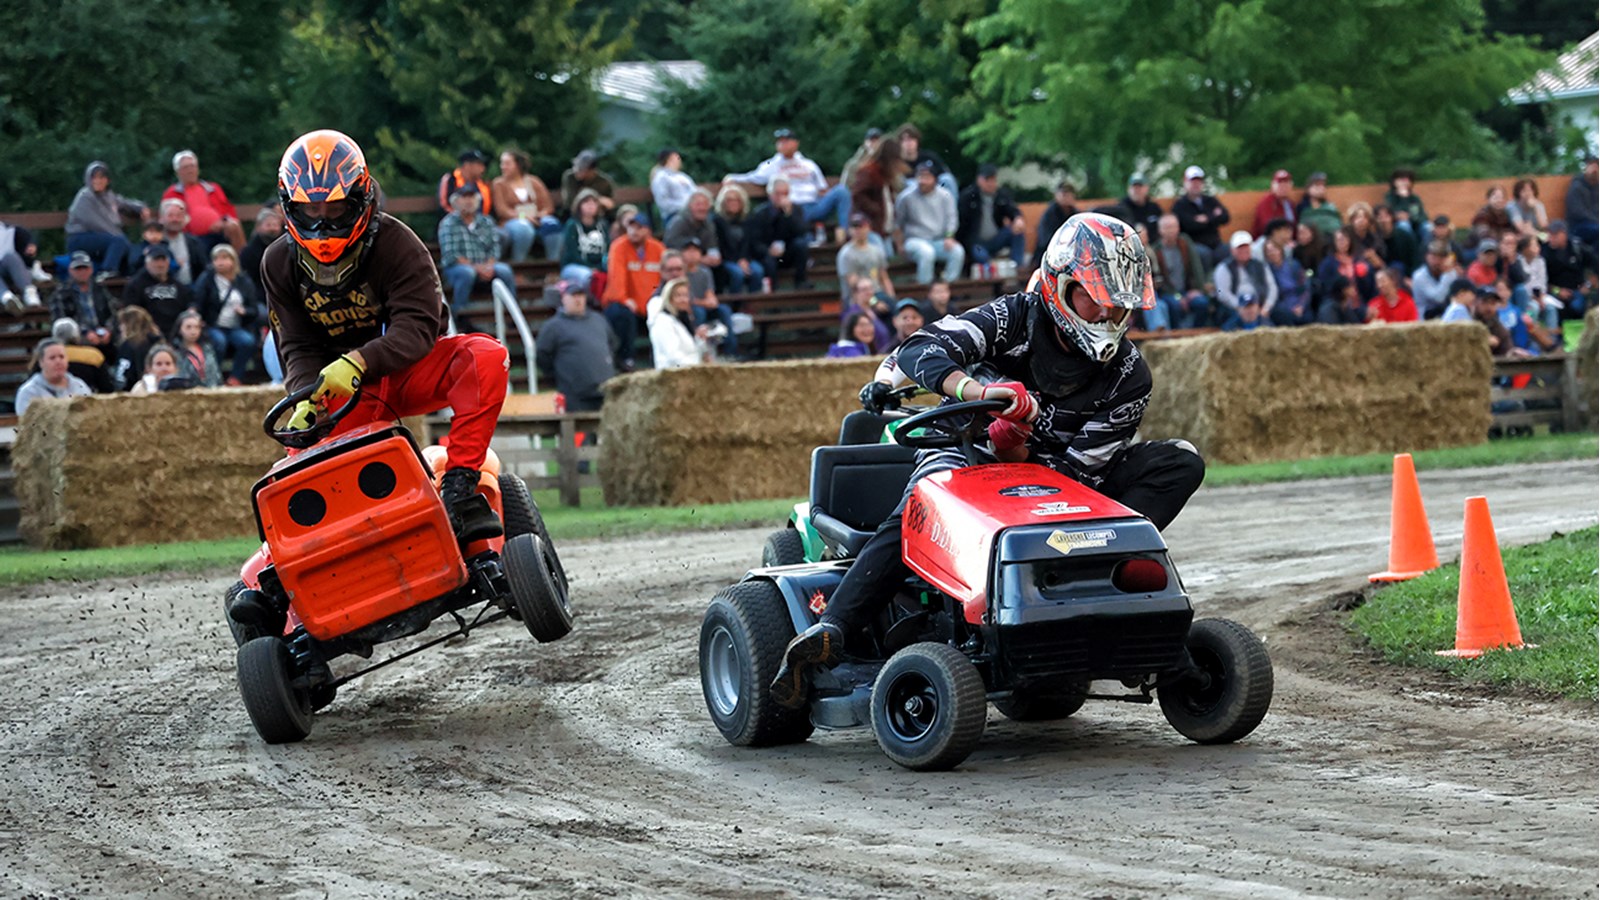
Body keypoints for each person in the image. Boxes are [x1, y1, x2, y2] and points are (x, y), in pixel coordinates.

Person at [770, 212, 1205, 708]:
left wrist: (1019, 447)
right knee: (926, 498)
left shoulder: (1130, 375)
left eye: (1119, 305)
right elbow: (920, 350)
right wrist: (981, 394)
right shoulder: (1014, 316)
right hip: (966, 452)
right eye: (1097, 300)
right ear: (1061, 287)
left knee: (1181, 461)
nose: (1108, 316)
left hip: (1061, 486)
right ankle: (834, 629)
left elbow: (1082, 473)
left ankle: (1113, 577)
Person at [264, 129, 509, 544]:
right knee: (296, 467)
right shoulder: (278, 262)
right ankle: (283, 563)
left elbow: (420, 328)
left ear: (360, 198)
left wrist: (359, 361)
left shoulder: (398, 243)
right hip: (343, 392)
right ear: (290, 206)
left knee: (485, 356)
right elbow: (296, 344)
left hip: (407, 368)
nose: (323, 224)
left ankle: (460, 489)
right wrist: (306, 395)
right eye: (311, 211)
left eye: (337, 208)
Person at [725, 128, 848, 236]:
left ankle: (847, 233)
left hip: (813, 206)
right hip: (791, 210)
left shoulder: (808, 164)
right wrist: (732, 178)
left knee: (841, 191)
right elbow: (752, 177)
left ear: (796, 143)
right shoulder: (771, 165)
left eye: (786, 141)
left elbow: (822, 189)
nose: (782, 144)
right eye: (780, 141)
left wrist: (824, 197)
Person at [437, 185, 515, 331]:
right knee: (467, 273)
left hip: (485, 265)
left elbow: (495, 249)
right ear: (456, 201)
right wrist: (477, 268)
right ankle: (460, 315)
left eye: (472, 197)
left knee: (505, 270)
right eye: (464, 197)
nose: (468, 201)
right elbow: (451, 254)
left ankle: (511, 316)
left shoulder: (486, 221)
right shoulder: (448, 223)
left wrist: (489, 266)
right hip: (457, 268)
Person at [534, 280, 617, 412]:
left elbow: (612, 345)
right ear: (563, 299)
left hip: (605, 391)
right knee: (578, 431)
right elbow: (542, 355)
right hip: (575, 395)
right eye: (573, 295)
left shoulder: (598, 320)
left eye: (581, 295)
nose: (578, 299)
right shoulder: (553, 326)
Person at [602, 209, 665, 371]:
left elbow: (664, 278)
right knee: (621, 313)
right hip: (626, 302)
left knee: (664, 314)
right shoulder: (618, 246)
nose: (634, 232)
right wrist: (624, 299)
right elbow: (616, 278)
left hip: (650, 304)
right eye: (631, 227)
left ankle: (660, 360)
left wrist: (655, 302)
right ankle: (625, 359)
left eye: (639, 228)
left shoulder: (658, 249)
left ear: (648, 231)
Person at [65, 161, 149, 277]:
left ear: (107, 180)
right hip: (80, 237)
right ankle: (107, 271)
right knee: (119, 241)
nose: (98, 181)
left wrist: (141, 208)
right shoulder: (85, 197)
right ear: (88, 179)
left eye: (102, 177)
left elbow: (124, 203)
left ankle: (126, 275)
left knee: (124, 244)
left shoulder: (108, 196)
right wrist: (117, 235)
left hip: (102, 237)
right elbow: (95, 223)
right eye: (94, 177)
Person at [195, 243, 262, 385]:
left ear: (233, 260)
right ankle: (215, 377)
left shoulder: (243, 281)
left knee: (248, 342)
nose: (220, 262)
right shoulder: (206, 279)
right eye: (216, 259)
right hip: (213, 325)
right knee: (219, 342)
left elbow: (254, 309)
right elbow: (198, 302)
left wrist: (244, 311)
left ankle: (235, 377)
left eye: (224, 258)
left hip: (235, 326)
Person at [895, 162, 963, 284]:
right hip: (914, 240)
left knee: (957, 252)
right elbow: (897, 223)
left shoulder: (945, 196)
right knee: (926, 253)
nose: (923, 181)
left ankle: (947, 287)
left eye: (927, 177)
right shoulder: (905, 197)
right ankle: (925, 290)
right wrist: (900, 245)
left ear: (935, 179)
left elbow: (951, 218)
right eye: (920, 177)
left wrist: (949, 236)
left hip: (938, 240)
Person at [163, 150, 245, 251]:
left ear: (197, 169)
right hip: (192, 235)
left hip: (220, 231)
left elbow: (228, 209)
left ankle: (241, 263)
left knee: (234, 225)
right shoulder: (172, 193)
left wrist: (222, 221)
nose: (190, 170)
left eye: (192, 166)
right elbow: (167, 217)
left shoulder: (213, 188)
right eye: (185, 167)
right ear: (177, 172)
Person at [492, 148, 561, 262]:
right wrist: (523, 216)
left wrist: (540, 215)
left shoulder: (533, 181)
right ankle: (518, 264)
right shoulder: (499, 184)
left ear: (517, 165)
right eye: (502, 163)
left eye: (507, 163)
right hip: (512, 221)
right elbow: (502, 210)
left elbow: (548, 206)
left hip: (536, 218)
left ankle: (553, 264)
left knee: (552, 224)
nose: (503, 167)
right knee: (524, 229)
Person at [957, 164, 1027, 270]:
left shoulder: (1000, 195)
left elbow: (1012, 210)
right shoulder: (968, 197)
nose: (991, 184)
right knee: (982, 257)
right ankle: (993, 274)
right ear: (979, 180)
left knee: (1017, 233)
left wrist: (1017, 218)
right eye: (987, 180)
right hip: (976, 243)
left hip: (995, 239)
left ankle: (1017, 267)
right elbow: (961, 225)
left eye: (993, 180)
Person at [1148, 213, 1211, 330]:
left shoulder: (1185, 243)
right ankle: (1177, 335)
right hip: (1168, 293)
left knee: (1202, 303)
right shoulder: (1156, 251)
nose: (1171, 231)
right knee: (1174, 306)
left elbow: (1196, 268)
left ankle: (1197, 333)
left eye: (1173, 227)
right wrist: (1177, 296)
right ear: (1160, 230)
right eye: (1167, 227)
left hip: (1188, 290)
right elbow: (1160, 280)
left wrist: (1198, 289)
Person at [748, 177, 810, 289]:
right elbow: (754, 241)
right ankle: (773, 292)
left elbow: (801, 232)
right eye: (777, 193)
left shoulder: (795, 210)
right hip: (767, 254)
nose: (781, 197)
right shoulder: (760, 213)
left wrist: (789, 215)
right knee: (768, 260)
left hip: (787, 251)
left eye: (785, 193)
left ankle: (801, 282)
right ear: (770, 194)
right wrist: (768, 250)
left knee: (801, 244)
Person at [122, 243, 193, 336]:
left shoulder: (178, 286)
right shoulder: (135, 285)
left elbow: (190, 303)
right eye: (155, 260)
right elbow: (132, 311)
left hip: (177, 332)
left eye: (163, 260)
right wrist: (149, 327)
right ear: (147, 263)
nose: (160, 264)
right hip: (148, 332)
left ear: (168, 263)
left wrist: (192, 310)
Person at [48, 252, 117, 347]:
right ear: (70, 270)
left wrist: (108, 330)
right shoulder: (60, 294)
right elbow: (60, 322)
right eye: (78, 268)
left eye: (85, 268)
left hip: (104, 337)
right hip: (76, 341)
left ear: (91, 269)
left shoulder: (100, 289)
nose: (82, 271)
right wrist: (84, 333)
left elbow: (113, 313)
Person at [680, 239, 736, 357]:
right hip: (689, 308)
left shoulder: (705, 272)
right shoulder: (680, 273)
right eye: (688, 250)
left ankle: (730, 352)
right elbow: (689, 299)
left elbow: (710, 294)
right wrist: (706, 302)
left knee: (724, 310)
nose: (692, 254)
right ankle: (699, 350)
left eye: (695, 250)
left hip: (703, 305)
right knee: (699, 312)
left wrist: (711, 301)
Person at [14, 339, 92, 416]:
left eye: (61, 357)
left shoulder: (79, 386)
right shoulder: (28, 392)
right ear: (41, 362)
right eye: (52, 358)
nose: (58, 361)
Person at [1171, 165, 1230, 269]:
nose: (1196, 185)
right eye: (1192, 181)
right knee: (1203, 254)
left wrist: (1206, 219)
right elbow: (1189, 225)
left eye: (1199, 181)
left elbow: (1225, 217)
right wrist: (1213, 216)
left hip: (1215, 243)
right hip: (1194, 244)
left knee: (1228, 250)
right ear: (1185, 182)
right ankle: (1206, 283)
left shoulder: (1210, 200)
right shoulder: (1180, 205)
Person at [848, 137, 906, 240]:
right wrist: (876, 209)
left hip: (884, 228)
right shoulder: (869, 172)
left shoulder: (886, 175)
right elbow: (857, 194)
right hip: (870, 227)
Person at [1213, 231, 1277, 323]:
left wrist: (1267, 307)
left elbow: (1272, 287)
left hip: (1260, 305)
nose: (1243, 250)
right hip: (1234, 307)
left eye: (1246, 247)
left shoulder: (1260, 265)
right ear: (1232, 250)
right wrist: (1241, 307)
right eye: (1239, 248)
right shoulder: (1223, 268)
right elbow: (1221, 293)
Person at [712, 184, 763, 294]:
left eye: (737, 200)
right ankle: (735, 306)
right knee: (737, 274)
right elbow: (720, 245)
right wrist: (737, 261)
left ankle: (752, 306)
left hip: (745, 258)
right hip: (727, 259)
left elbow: (749, 243)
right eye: (729, 200)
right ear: (723, 202)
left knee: (758, 271)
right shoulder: (716, 221)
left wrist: (744, 259)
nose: (733, 203)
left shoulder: (748, 220)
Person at [649, 277, 710, 368]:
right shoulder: (662, 322)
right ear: (669, 298)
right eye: (678, 296)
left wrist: (700, 339)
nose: (683, 300)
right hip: (673, 376)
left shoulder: (683, 320)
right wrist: (698, 368)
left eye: (685, 295)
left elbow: (692, 351)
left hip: (690, 373)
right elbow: (673, 357)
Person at [559, 188, 609, 295]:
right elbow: (572, 253)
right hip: (574, 266)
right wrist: (590, 268)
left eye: (594, 202)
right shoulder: (572, 225)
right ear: (579, 205)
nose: (590, 205)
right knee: (588, 277)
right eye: (586, 202)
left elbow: (607, 250)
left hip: (599, 267)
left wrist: (600, 268)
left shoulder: (603, 226)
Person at [836, 213, 895, 300]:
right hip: (856, 300)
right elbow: (854, 286)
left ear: (868, 228)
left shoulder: (876, 251)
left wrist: (892, 298)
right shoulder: (846, 254)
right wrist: (874, 303)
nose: (858, 230)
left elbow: (884, 278)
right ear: (850, 230)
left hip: (878, 293)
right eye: (854, 227)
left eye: (861, 227)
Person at [1543, 220, 1594, 318]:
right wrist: (1558, 291)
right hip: (1556, 293)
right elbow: (1543, 282)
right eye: (1550, 235)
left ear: (1564, 234)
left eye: (1555, 235)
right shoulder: (1545, 253)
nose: (1551, 239)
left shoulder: (1577, 247)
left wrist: (1588, 285)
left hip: (1578, 290)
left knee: (1580, 305)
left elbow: (1595, 265)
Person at [894, 124, 959, 201]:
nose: (909, 143)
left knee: (947, 179)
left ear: (917, 141)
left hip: (934, 191)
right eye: (905, 140)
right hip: (911, 197)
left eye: (911, 139)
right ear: (899, 143)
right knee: (910, 184)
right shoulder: (897, 162)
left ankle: (952, 210)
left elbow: (944, 172)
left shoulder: (929, 157)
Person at [51, 318, 115, 393]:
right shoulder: (93, 355)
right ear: (77, 335)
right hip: (87, 401)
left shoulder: (47, 356)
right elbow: (107, 388)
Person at [1316, 228, 1375, 305]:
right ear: (1334, 243)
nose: (1343, 243)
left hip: (1359, 301)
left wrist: (1362, 276)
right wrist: (1343, 290)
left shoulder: (1358, 260)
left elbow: (1368, 287)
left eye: (1346, 239)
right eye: (1339, 240)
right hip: (1337, 303)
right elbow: (1325, 286)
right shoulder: (1327, 264)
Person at [157, 198, 208, 285]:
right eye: (170, 216)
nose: (175, 219)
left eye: (179, 216)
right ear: (161, 219)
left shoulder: (194, 242)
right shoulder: (156, 242)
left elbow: (203, 269)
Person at [1263, 240, 1312, 326]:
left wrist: (1301, 306)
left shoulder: (1294, 265)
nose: (1272, 254)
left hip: (1298, 300)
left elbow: (1305, 286)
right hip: (1282, 305)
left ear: (1280, 250)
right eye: (1269, 252)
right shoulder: (1268, 271)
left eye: (1274, 250)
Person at [113, 305, 163, 389]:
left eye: (122, 324)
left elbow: (121, 378)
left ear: (129, 325)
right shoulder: (160, 343)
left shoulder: (128, 346)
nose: (120, 328)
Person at [1032, 181, 1079, 271]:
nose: (1067, 197)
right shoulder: (1049, 214)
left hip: (1071, 255)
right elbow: (1044, 240)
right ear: (1056, 195)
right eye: (1064, 193)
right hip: (1049, 256)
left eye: (1070, 193)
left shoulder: (1075, 214)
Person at [560, 150, 617, 218]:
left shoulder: (604, 182)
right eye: (576, 166)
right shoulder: (569, 177)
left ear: (592, 170)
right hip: (573, 215)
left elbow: (610, 204)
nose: (576, 170)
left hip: (598, 216)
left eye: (581, 168)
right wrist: (597, 199)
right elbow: (570, 202)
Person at [1411, 241, 1461, 319]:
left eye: (1441, 257)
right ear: (1427, 257)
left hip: (1446, 315)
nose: (1437, 261)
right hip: (1425, 318)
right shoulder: (1419, 276)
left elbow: (1459, 296)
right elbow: (1439, 298)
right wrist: (1447, 274)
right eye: (1434, 257)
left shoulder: (1451, 272)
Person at [172, 309, 221, 388]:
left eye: (197, 327)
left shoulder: (207, 349)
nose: (193, 331)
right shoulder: (175, 352)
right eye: (188, 327)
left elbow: (216, 373)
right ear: (179, 329)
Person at [840, 276, 891, 351]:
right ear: (856, 293)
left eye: (870, 288)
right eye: (864, 289)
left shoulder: (878, 311)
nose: (869, 292)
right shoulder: (851, 314)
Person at [239, 203, 285, 286]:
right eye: (268, 225)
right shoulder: (249, 251)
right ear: (258, 227)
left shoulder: (286, 247)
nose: (272, 228)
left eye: (275, 225)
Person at [437, 149, 492, 217]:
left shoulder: (482, 185)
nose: (483, 168)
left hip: (480, 223)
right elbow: (444, 205)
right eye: (479, 164)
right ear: (467, 165)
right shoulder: (450, 180)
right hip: (454, 223)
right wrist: (464, 219)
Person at [651, 148, 698, 227]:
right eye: (677, 158)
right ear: (669, 159)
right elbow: (663, 203)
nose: (680, 160)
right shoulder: (660, 178)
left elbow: (695, 192)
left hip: (692, 212)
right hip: (674, 215)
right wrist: (686, 206)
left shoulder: (683, 176)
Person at [1564, 156, 1598, 248]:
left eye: (1597, 166)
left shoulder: (1597, 188)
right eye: (1592, 166)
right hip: (1577, 225)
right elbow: (1577, 212)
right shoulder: (1577, 187)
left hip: (1594, 224)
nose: (1595, 170)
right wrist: (1597, 220)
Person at [1375, 205, 1418, 274]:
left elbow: (1414, 258)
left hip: (1403, 272)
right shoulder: (1374, 239)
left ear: (1392, 217)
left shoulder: (1404, 236)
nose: (1383, 220)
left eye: (1386, 216)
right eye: (1379, 217)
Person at [1252, 170, 1296, 236]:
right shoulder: (1266, 203)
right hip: (1268, 240)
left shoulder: (1290, 204)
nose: (1283, 187)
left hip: (1288, 240)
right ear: (1272, 185)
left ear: (1291, 186)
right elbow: (1267, 227)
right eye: (1280, 184)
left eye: (1286, 183)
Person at [1383, 169, 1428, 233]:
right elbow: (1390, 212)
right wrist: (1403, 198)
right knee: (1404, 225)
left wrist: (1409, 217)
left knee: (1427, 226)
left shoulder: (1414, 198)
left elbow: (1421, 216)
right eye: (1401, 180)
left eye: (1406, 180)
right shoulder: (1390, 197)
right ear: (1394, 182)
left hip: (1415, 226)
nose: (1403, 183)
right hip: (1397, 228)